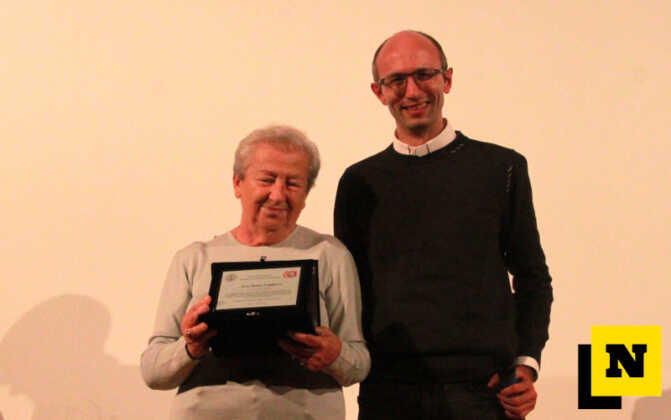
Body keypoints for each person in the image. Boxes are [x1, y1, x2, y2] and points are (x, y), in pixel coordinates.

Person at [334, 30, 553, 420]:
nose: (412, 91)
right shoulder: (358, 182)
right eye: (396, 80)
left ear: (447, 79)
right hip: (388, 392)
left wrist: (526, 364)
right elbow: (350, 290)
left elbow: (532, 276)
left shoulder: (502, 168)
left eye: (424, 74)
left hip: (484, 393)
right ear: (378, 92)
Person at [142, 125, 370, 420]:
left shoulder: (329, 254)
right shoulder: (194, 258)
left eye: (293, 184)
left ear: (306, 194)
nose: (277, 195)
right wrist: (190, 347)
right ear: (237, 183)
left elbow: (359, 362)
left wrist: (335, 355)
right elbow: (153, 371)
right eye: (267, 179)